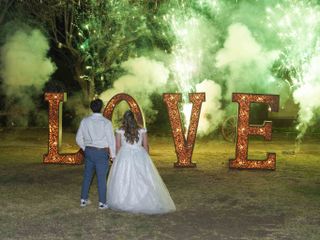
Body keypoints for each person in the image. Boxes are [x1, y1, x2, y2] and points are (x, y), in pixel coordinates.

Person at [107, 110, 176, 214]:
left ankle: (123, 201)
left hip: (124, 155)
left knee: (124, 178)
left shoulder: (119, 130)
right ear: (134, 118)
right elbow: (146, 145)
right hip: (139, 154)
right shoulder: (142, 130)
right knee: (143, 178)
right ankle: (143, 200)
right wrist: (146, 158)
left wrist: (116, 158)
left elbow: (117, 146)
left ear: (124, 119)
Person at [76, 98, 116, 210]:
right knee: (101, 178)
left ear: (91, 108)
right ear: (102, 108)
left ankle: (83, 199)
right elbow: (111, 140)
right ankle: (102, 203)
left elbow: (78, 138)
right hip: (101, 152)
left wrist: (85, 148)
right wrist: (113, 156)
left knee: (87, 176)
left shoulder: (85, 121)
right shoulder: (106, 122)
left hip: (89, 151)